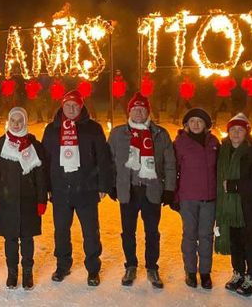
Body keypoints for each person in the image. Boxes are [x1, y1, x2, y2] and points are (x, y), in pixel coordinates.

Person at [42, 90, 113, 286]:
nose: (71, 109)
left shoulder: (93, 128)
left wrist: (103, 184)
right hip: (60, 189)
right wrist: (47, 187)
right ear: (62, 106)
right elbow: (45, 160)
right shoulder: (52, 129)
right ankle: (63, 265)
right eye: (68, 105)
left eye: (75, 105)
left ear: (81, 107)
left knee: (90, 232)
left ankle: (92, 268)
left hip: (86, 189)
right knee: (61, 231)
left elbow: (103, 159)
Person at [108, 92, 176, 288]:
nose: (138, 112)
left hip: (151, 190)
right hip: (128, 190)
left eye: (142, 109)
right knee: (128, 231)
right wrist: (112, 184)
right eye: (135, 109)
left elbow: (170, 163)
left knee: (152, 232)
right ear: (129, 111)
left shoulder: (160, 134)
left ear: (148, 111)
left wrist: (169, 188)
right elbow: (110, 161)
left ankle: (152, 267)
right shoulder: (118, 134)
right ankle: (130, 265)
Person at [0, 107, 47, 290]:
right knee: (11, 240)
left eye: (20, 121)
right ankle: (12, 272)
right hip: (7, 201)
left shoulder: (34, 145)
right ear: (8, 122)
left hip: (29, 202)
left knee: (28, 239)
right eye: (13, 121)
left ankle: (28, 272)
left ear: (25, 122)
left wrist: (41, 200)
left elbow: (40, 175)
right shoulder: (0, 144)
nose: (16, 124)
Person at [216, 113, 252, 297]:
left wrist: (234, 185)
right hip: (230, 208)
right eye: (232, 129)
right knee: (235, 241)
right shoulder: (223, 151)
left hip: (249, 208)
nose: (236, 133)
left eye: (240, 129)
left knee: (250, 243)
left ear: (247, 132)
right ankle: (238, 273)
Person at [172, 108, 219, 289]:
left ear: (206, 125)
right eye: (192, 121)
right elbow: (173, 170)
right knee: (190, 236)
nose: (196, 124)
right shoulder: (180, 143)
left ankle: (205, 273)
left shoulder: (214, 143)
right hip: (188, 197)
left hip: (209, 198)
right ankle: (190, 271)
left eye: (200, 121)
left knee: (206, 236)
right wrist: (174, 195)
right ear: (186, 125)